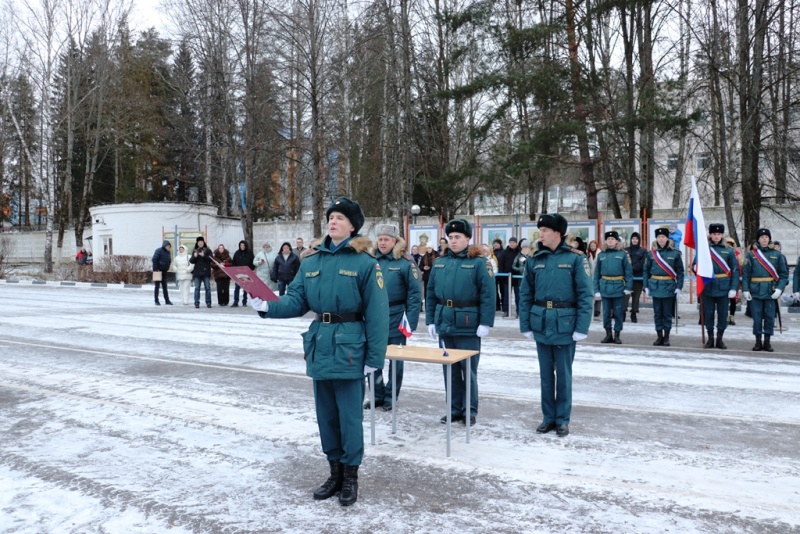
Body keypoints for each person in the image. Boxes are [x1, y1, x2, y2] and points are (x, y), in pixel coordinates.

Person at [249, 196, 388, 507]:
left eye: (340, 217)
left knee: (350, 417)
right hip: (320, 343)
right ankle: (334, 472)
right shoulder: (310, 262)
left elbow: (378, 315)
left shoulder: (366, 263)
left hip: (351, 346)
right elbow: (296, 301)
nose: (333, 221)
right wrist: (266, 306)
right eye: (331, 216)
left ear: (353, 226)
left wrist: (374, 360)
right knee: (326, 416)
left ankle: (351, 476)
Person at [519, 213, 592, 438]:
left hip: (565, 324)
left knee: (563, 375)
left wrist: (582, 327)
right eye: (540, 230)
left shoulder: (575, 259)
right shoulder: (534, 259)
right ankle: (548, 417)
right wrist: (525, 324)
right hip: (541, 321)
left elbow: (585, 294)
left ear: (557, 233)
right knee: (545, 375)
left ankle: (562, 419)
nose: (540, 234)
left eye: (545, 231)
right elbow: (525, 294)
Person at [425, 219, 495, 426]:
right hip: (445, 322)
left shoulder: (479, 263)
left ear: (467, 238)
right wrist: (430, 320)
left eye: (457, 237)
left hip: (468, 324)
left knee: (468, 370)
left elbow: (488, 295)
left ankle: (469, 411)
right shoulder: (440, 263)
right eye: (450, 237)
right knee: (450, 369)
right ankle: (454, 409)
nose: (453, 241)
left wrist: (485, 323)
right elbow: (430, 294)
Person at [364, 224, 422, 411]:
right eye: (380, 239)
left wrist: (410, 322)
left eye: (386, 239)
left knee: (396, 360)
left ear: (395, 241)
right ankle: (377, 394)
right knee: (373, 357)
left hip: (396, 316)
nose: (382, 243)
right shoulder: (370, 260)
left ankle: (391, 397)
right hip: (373, 317)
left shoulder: (405, 263)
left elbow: (414, 294)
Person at [742, 228, 789, 352]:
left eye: (766, 237)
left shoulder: (777, 255)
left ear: (769, 239)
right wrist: (745, 290)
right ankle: (758, 341)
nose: (764, 239)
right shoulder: (751, 255)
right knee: (757, 317)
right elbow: (746, 274)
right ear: (758, 239)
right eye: (762, 237)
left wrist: (779, 289)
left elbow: (783, 275)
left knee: (769, 317)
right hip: (755, 291)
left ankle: (767, 341)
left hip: (770, 291)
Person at [699, 224, 739, 349]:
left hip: (723, 287)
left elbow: (735, 270)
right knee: (708, 314)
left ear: (722, 235)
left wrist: (733, 288)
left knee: (722, 315)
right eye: (714, 234)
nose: (716, 236)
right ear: (710, 235)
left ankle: (720, 339)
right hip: (708, 286)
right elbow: (696, 263)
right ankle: (710, 338)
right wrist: (696, 267)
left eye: (719, 234)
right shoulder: (704, 248)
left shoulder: (729, 250)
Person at [643, 228, 684, 346]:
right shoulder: (651, 254)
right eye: (659, 237)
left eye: (663, 237)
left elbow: (680, 272)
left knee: (667, 313)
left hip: (669, 287)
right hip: (655, 286)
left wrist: (679, 287)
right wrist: (646, 286)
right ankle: (659, 336)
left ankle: (666, 337)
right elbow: (646, 271)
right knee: (657, 313)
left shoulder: (675, 253)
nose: (661, 239)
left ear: (667, 238)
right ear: (656, 238)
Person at [593, 231, 633, 344]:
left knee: (618, 313)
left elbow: (628, 272)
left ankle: (617, 335)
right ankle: (608, 334)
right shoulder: (601, 255)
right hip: (605, 288)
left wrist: (628, 287)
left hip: (619, 288)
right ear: (606, 241)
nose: (610, 240)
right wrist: (596, 290)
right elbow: (596, 274)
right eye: (608, 239)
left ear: (616, 241)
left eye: (612, 239)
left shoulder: (623, 255)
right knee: (606, 314)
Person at [623, 232, 646, 323]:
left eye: (636, 239)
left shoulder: (643, 251)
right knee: (625, 296)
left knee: (636, 297)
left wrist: (632, 268)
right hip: (627, 278)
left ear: (639, 240)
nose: (634, 240)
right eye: (633, 239)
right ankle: (623, 312)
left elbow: (643, 262)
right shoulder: (626, 250)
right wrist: (628, 270)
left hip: (638, 277)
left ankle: (634, 313)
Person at [499, 237, 520, 318]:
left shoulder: (519, 252)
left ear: (516, 243)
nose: (512, 244)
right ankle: (506, 310)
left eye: (513, 242)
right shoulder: (504, 252)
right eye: (511, 242)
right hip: (507, 277)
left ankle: (519, 311)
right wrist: (502, 275)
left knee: (518, 296)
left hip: (517, 278)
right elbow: (501, 264)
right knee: (507, 295)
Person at [190, 236, 213, 308]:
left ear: (204, 243)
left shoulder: (208, 250)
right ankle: (196, 303)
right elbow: (191, 261)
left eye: (201, 242)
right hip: (197, 272)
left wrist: (204, 256)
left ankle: (208, 303)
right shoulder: (195, 250)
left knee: (207, 288)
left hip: (206, 272)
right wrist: (195, 256)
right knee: (197, 288)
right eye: (199, 242)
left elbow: (211, 260)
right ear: (197, 243)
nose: (200, 243)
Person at [230, 240, 255, 307]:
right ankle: (236, 301)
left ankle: (244, 301)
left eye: (243, 245)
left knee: (246, 288)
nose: (242, 247)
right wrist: (235, 270)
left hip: (247, 273)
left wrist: (251, 269)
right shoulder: (237, 253)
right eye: (241, 245)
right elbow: (233, 262)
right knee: (237, 288)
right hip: (238, 273)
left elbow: (253, 262)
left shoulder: (249, 253)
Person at [726, 237, 743, 324]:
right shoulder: (722, 253)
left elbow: (740, 266)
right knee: (724, 300)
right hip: (724, 279)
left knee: (733, 300)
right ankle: (724, 316)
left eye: (731, 244)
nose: (729, 245)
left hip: (734, 279)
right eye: (727, 243)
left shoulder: (737, 254)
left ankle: (731, 317)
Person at [152, 240, 173, 306]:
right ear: (164, 246)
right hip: (158, 271)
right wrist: (156, 269)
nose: (168, 247)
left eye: (169, 246)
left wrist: (168, 267)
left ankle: (167, 300)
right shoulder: (159, 251)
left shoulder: (168, 252)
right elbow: (154, 259)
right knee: (157, 286)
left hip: (164, 271)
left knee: (165, 286)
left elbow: (169, 260)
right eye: (168, 246)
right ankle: (156, 300)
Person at [586, 240, 601, 319]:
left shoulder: (600, 254)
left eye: (594, 246)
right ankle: (591, 309)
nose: (592, 247)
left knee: (597, 293)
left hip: (597, 275)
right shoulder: (587, 254)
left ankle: (597, 310)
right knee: (591, 293)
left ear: (596, 246)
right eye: (591, 246)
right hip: (590, 275)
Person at [493, 238, 505, 311]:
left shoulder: (503, 252)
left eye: (497, 243)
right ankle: (497, 305)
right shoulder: (492, 253)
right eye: (494, 243)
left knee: (502, 290)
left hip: (502, 274)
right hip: (494, 274)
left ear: (500, 244)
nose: (495, 244)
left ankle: (504, 305)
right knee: (495, 290)